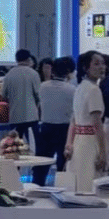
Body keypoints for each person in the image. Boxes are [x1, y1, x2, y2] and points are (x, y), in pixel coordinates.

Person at [65, 51, 107, 194]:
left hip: (78, 141)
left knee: (79, 183)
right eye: (96, 64)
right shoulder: (94, 90)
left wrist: (69, 143)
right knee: (89, 183)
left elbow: (73, 120)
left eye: (103, 63)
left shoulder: (80, 88)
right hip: (90, 143)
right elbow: (97, 124)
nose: (101, 67)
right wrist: (103, 152)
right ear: (86, 68)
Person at [34, 56, 75, 185]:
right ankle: (62, 186)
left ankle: (36, 186)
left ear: (52, 71)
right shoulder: (72, 89)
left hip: (46, 128)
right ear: (68, 72)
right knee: (63, 163)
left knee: (41, 162)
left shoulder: (42, 87)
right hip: (65, 129)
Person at [2, 49, 41, 148]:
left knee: (14, 147)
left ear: (16, 59)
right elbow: (39, 95)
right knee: (35, 146)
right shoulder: (33, 73)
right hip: (31, 116)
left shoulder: (9, 74)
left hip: (15, 116)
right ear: (28, 59)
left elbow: (4, 95)